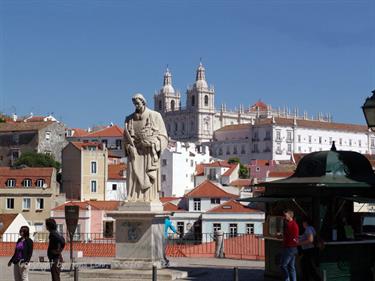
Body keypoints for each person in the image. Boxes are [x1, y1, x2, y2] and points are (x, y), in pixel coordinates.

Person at [124, 93, 168, 202]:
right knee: (133, 175)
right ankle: (132, 197)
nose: (136, 106)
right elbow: (124, 139)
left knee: (148, 177)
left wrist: (153, 143)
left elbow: (163, 137)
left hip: (149, 153)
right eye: (134, 104)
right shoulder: (129, 119)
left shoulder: (155, 116)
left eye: (138, 104)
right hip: (134, 153)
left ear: (143, 102)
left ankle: (148, 197)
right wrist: (128, 147)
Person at [280, 210, 299, 281]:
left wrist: (283, 237)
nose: (285, 217)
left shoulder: (292, 225)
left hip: (290, 248)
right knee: (291, 266)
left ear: (290, 216)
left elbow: (293, 237)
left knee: (283, 265)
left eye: (286, 215)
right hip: (291, 248)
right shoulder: (290, 224)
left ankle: (287, 279)